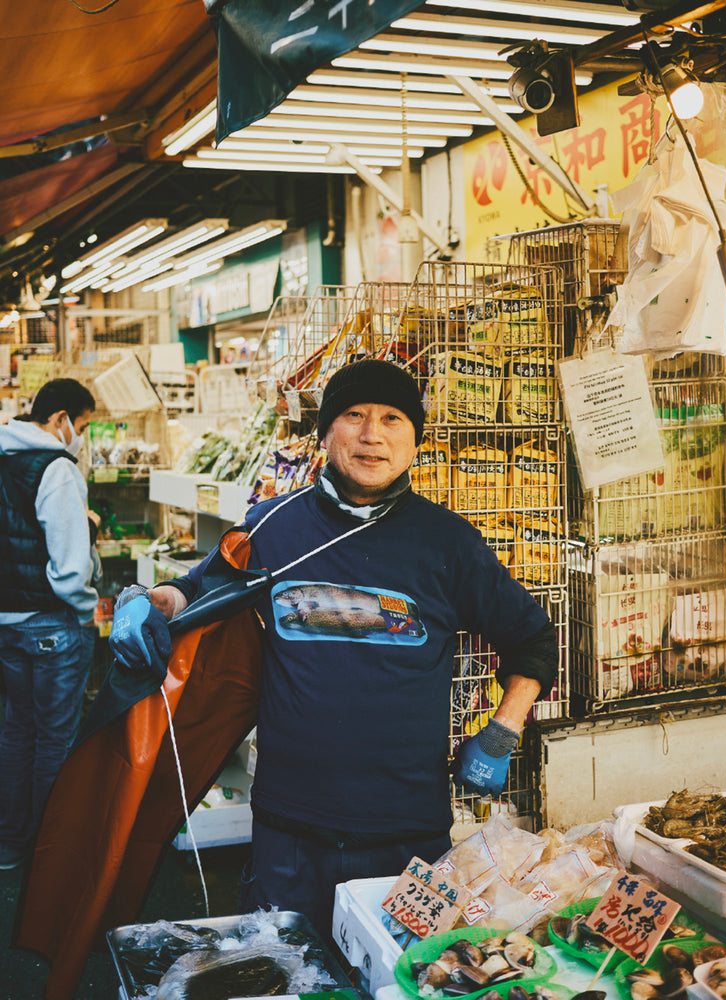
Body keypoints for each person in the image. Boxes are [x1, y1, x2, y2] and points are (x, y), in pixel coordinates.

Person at [109, 359, 558, 934]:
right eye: (354, 415)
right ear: (325, 434)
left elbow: (534, 642)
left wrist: (501, 733)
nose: (372, 434)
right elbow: (196, 590)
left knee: (395, 980)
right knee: (284, 977)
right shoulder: (272, 526)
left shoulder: (450, 544)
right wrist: (148, 599)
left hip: (406, 831)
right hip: (288, 830)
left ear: (414, 442)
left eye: (393, 419)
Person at [0, 377, 98, 870]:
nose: (80, 437)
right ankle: (50, 854)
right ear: (61, 420)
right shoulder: (56, 469)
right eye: (81, 426)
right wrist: (86, 612)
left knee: (16, 730)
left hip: (6, 624)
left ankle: (10, 844)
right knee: (55, 737)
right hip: (52, 626)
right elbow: (69, 569)